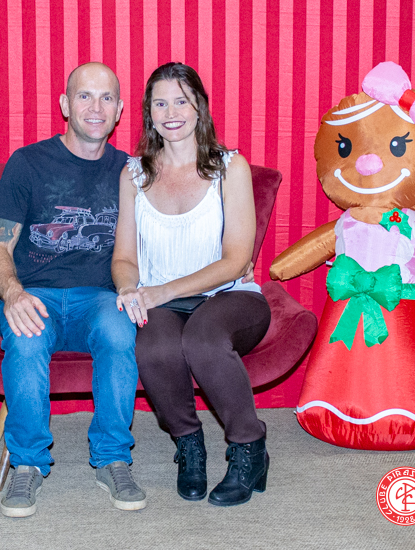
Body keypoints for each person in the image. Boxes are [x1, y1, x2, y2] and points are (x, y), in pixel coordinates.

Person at [0, 62, 145, 517]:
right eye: (84, 96)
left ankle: (113, 458)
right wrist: (13, 293)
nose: (96, 107)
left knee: (119, 331)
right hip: (36, 293)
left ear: (119, 110)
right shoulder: (28, 163)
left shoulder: (131, 172)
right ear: (65, 104)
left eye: (107, 98)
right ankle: (27, 463)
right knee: (27, 337)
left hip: (101, 298)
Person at [112, 62, 272, 507]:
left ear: (199, 106)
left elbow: (236, 260)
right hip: (163, 302)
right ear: (148, 113)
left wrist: (162, 291)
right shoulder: (134, 174)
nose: (171, 113)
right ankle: (189, 445)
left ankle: (249, 447)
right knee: (154, 348)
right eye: (160, 104)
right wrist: (127, 289)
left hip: (230, 296)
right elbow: (124, 258)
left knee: (202, 340)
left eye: (181, 101)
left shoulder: (230, 167)